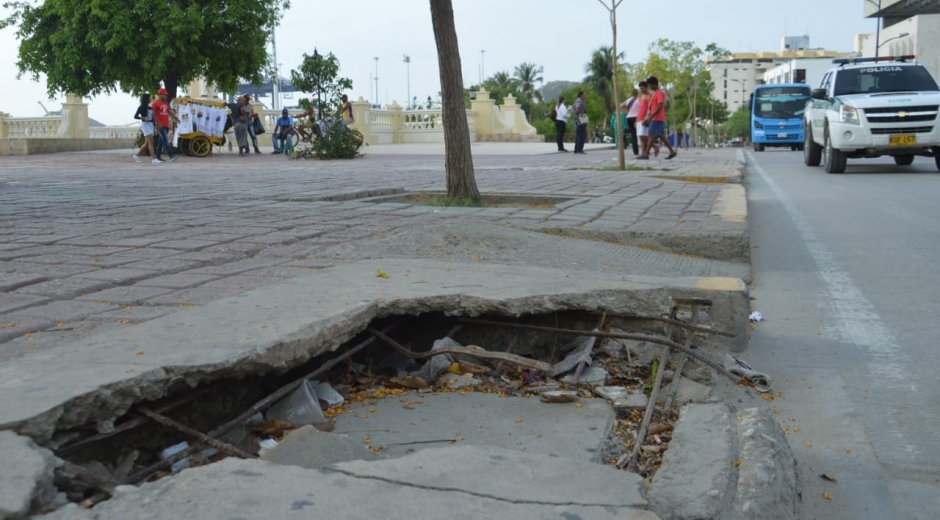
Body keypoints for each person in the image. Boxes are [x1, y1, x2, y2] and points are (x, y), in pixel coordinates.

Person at [644, 76, 677, 160]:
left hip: (657, 118)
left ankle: (646, 154)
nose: (650, 87)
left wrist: (651, 117)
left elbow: (659, 106)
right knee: (661, 136)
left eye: (650, 85)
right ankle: (671, 151)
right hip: (654, 118)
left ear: (654, 84)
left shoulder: (660, 93)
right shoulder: (655, 94)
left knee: (651, 135)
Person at [151, 88, 178, 164]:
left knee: (161, 142)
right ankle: (171, 155)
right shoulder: (155, 103)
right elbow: (153, 114)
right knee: (165, 141)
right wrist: (157, 123)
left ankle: (158, 157)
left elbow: (169, 112)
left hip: (166, 124)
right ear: (160, 95)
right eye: (164, 95)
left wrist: (176, 118)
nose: (166, 96)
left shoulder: (166, 103)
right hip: (160, 125)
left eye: (166, 95)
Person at [132, 93, 155, 163]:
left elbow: (153, 118)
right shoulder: (141, 107)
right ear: (146, 99)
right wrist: (143, 118)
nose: (151, 99)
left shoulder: (150, 108)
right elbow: (135, 116)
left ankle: (137, 155)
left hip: (151, 125)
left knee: (147, 144)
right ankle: (154, 159)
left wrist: (155, 126)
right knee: (151, 142)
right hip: (145, 125)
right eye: (149, 98)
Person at [635, 82, 652, 159]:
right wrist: (636, 120)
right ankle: (644, 153)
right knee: (641, 137)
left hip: (644, 119)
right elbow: (639, 109)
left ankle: (654, 146)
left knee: (643, 135)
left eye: (643, 88)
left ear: (646, 88)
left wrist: (647, 118)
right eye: (640, 88)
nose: (641, 90)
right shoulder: (641, 97)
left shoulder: (649, 96)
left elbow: (650, 108)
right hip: (639, 118)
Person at [624, 88, 640, 156]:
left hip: (629, 117)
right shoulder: (639, 100)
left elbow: (620, 106)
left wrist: (627, 112)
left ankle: (635, 151)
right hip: (636, 117)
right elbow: (640, 111)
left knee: (633, 135)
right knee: (638, 134)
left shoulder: (628, 100)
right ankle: (638, 150)